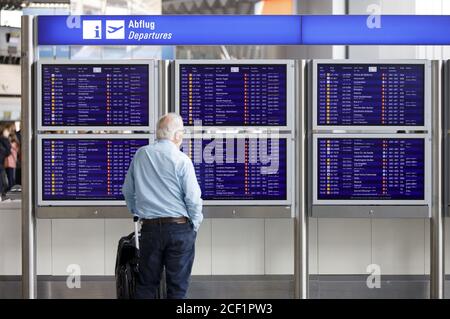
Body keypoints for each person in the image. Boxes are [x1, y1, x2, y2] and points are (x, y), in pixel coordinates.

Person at [122, 113, 203, 299]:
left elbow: (127, 190)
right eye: (181, 132)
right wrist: (194, 225)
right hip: (179, 229)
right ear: (177, 136)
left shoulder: (141, 155)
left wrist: (138, 212)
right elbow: (193, 198)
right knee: (177, 288)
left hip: (150, 230)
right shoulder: (182, 160)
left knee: (146, 286)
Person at [0, 125, 11, 195]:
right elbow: (8, 152)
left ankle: (2, 191)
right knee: (3, 179)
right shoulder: (3, 139)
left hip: (1, 161)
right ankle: (2, 191)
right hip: (1, 161)